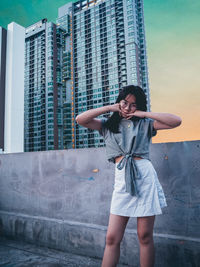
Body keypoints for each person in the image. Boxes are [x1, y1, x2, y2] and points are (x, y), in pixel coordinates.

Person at [75, 85, 182, 267]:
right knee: (112, 237)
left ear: (138, 106)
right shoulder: (106, 125)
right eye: (125, 102)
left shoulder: (145, 124)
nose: (127, 107)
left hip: (144, 177)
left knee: (145, 236)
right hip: (121, 178)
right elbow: (80, 119)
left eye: (133, 105)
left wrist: (144, 114)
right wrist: (110, 108)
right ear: (119, 102)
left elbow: (176, 121)